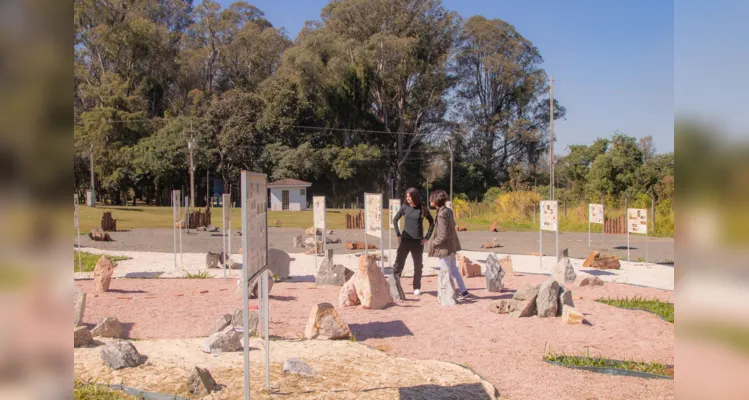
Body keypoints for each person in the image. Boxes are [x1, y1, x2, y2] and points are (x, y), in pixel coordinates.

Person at [427, 189, 472, 301]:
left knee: (445, 271)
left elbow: (442, 234)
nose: (429, 200)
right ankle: (463, 291)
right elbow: (452, 226)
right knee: (454, 269)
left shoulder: (441, 214)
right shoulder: (448, 211)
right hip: (451, 245)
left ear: (435, 200)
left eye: (431, 198)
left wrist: (433, 242)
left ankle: (449, 293)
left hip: (444, 248)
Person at [392, 188, 434, 296]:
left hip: (418, 242)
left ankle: (416, 287)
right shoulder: (404, 207)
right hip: (405, 241)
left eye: (409, 196)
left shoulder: (422, 208)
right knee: (398, 264)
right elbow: (395, 219)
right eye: (406, 196)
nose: (407, 198)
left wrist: (427, 237)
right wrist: (398, 234)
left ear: (414, 196)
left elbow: (432, 222)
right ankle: (394, 286)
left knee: (418, 266)